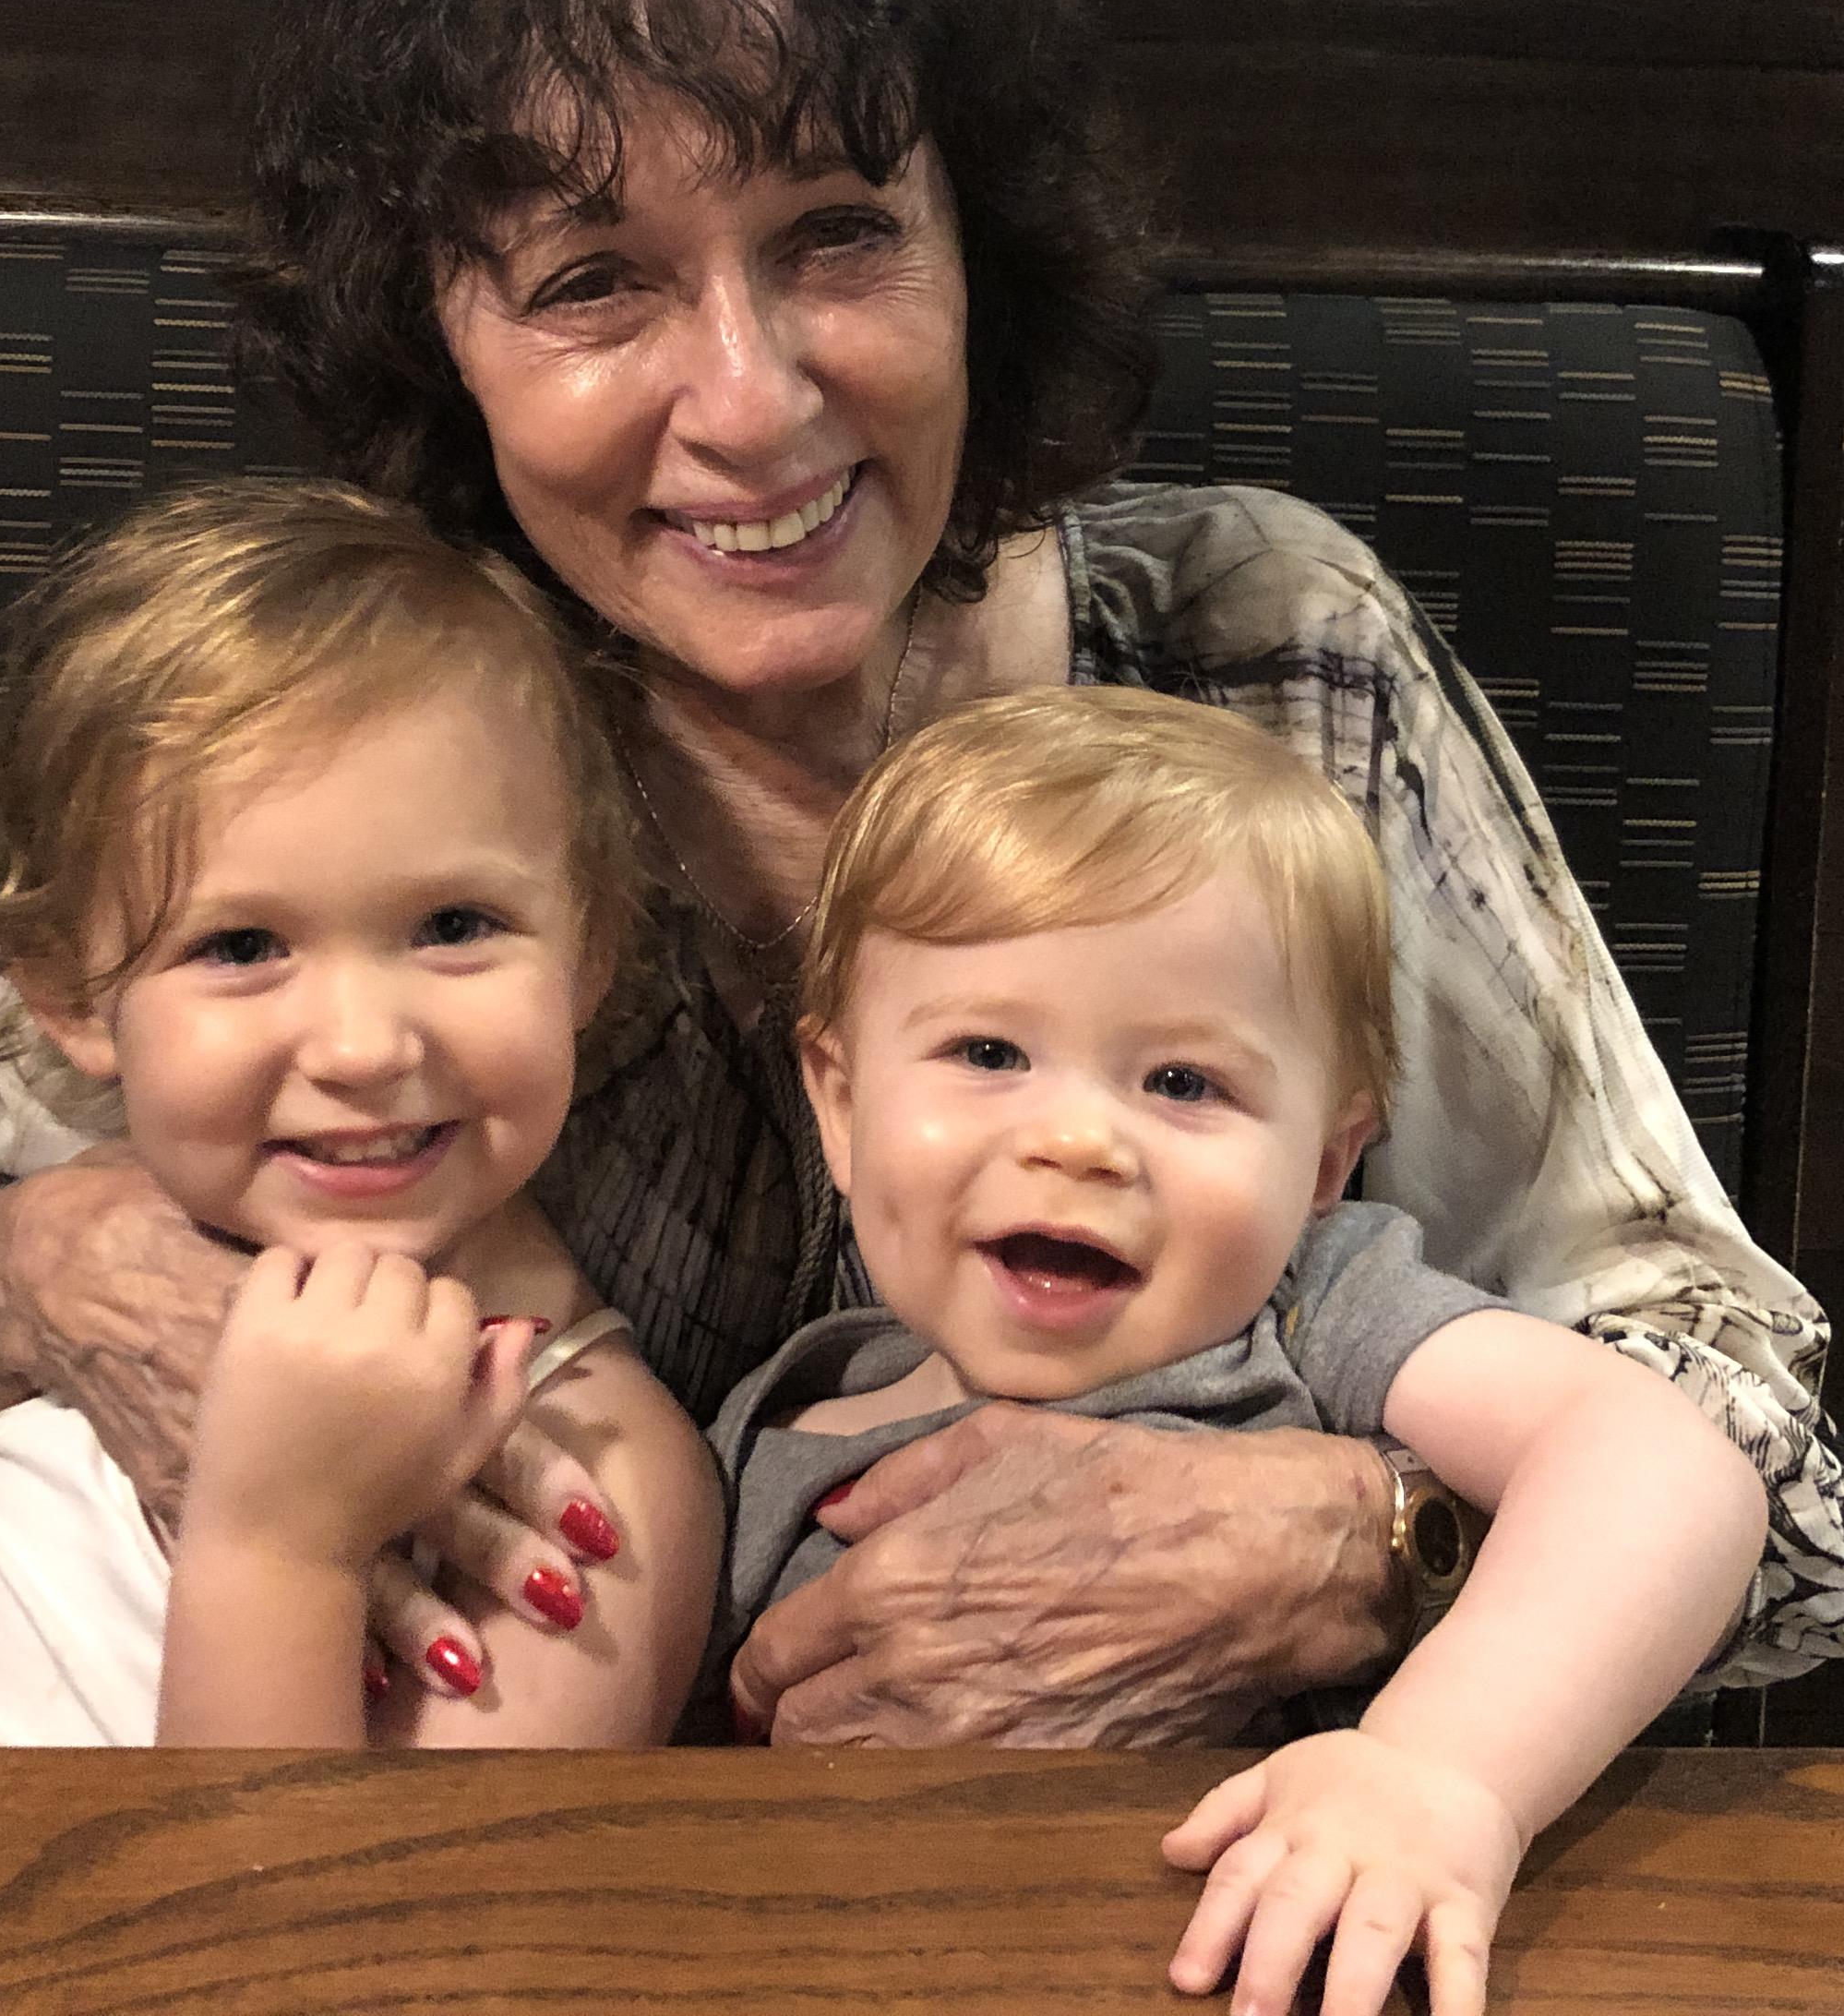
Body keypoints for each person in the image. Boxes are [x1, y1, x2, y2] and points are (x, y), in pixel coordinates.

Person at [0, 0, 1844, 1742]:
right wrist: (54, 1277)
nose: (752, 403)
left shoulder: (1252, 651)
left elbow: (1762, 1455)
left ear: (981, 255)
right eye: (592, 281)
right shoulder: (353, 714)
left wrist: (1369, 1544)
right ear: (437, 336)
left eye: (838, 235)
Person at [712, 688, 1766, 2016]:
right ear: (842, 1101)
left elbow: (1666, 1468)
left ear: (1325, 1161)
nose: (1077, 1143)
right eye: (988, 1051)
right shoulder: (775, 1419)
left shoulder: (1319, 1312)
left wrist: (1442, 1776)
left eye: (1183, 1083)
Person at [0, 482, 720, 1747]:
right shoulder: (76, 1290)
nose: (363, 1046)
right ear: (71, 996)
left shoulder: (604, 1477)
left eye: (455, 925)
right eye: (241, 945)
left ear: (592, 951)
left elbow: (331, 1883)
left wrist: (283, 1549)